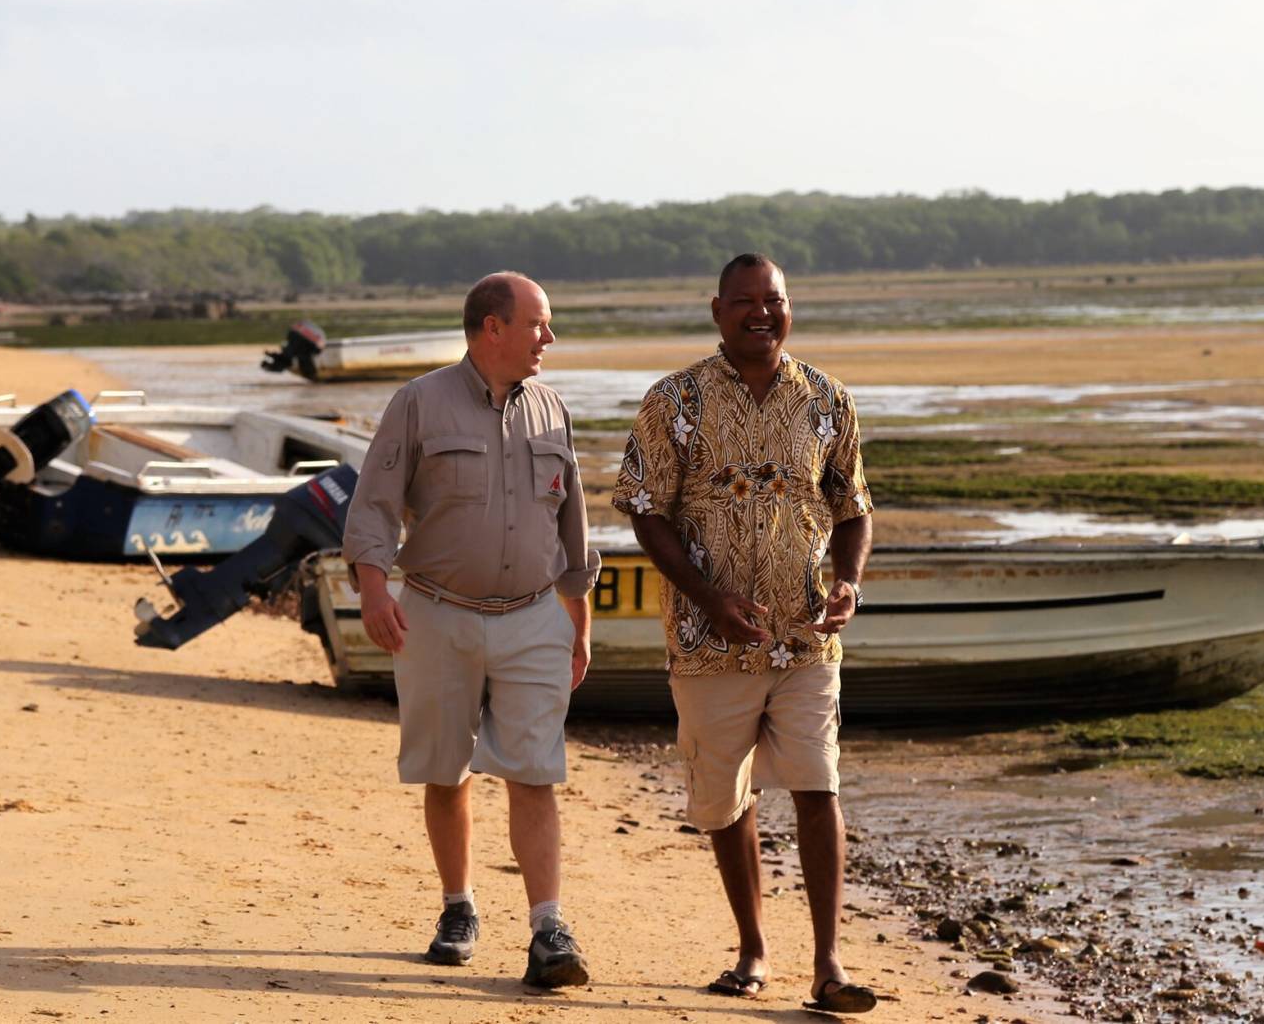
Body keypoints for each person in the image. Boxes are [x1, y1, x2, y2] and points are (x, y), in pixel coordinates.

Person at [611, 253, 878, 1013]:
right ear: (717, 309)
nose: (762, 313)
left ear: (790, 307)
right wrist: (706, 595)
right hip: (707, 642)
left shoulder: (827, 399)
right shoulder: (675, 400)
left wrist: (850, 582)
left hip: (806, 638)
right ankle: (753, 948)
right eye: (746, 302)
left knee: (818, 783)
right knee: (725, 800)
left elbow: (852, 505)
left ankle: (828, 964)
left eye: (775, 300)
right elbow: (645, 509)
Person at [342, 271, 600, 990]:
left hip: (533, 616)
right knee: (444, 766)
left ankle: (549, 926)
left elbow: (572, 526)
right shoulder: (418, 403)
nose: (549, 337)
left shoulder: (553, 409)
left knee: (535, 768)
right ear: (493, 327)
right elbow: (374, 505)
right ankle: (459, 907)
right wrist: (370, 586)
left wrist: (580, 620)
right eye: (538, 323)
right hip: (435, 614)